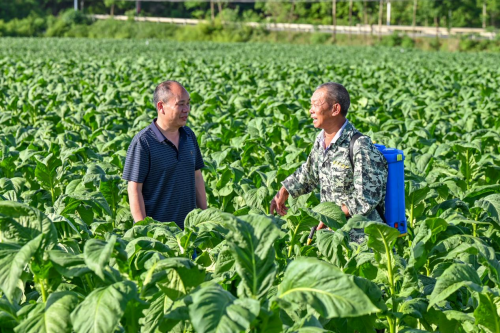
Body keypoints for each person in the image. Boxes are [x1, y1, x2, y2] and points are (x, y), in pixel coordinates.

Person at [270, 82, 388, 243]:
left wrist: (331, 216)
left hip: (362, 241)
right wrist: (284, 191)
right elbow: (309, 173)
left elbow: (367, 198)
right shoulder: (321, 140)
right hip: (332, 236)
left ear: (335, 109)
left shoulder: (360, 145)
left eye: (316, 104)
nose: (311, 110)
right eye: (310, 105)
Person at [122, 80, 207, 229]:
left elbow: (197, 176)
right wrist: (145, 232)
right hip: (160, 237)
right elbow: (134, 189)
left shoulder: (189, 136)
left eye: (188, 103)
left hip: (189, 233)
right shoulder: (144, 142)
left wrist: (205, 217)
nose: (186, 109)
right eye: (180, 104)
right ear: (161, 107)